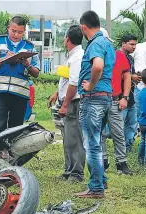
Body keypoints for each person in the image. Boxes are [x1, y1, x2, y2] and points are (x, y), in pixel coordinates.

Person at [74, 10, 115, 199]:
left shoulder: (95, 44)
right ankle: (102, 179)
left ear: (84, 27)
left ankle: (96, 187)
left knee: (91, 144)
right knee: (97, 141)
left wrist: (90, 84)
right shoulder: (107, 43)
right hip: (106, 97)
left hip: (93, 98)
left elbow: (97, 66)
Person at [0, 16, 40, 138]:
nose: (16, 34)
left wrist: (28, 65)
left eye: (20, 32)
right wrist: (5, 59)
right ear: (8, 28)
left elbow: (36, 73)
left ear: (24, 31)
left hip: (20, 94)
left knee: (15, 129)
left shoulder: (29, 47)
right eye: (13, 31)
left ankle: (12, 155)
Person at [47, 25, 86, 183]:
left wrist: (65, 104)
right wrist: (57, 93)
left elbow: (74, 83)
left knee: (74, 137)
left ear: (68, 39)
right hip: (67, 100)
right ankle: (69, 169)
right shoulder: (71, 56)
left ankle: (76, 173)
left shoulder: (78, 57)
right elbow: (67, 79)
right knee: (68, 138)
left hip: (74, 102)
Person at [102, 49, 133, 176]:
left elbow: (127, 76)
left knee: (118, 133)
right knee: (99, 132)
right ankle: (103, 160)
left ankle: (121, 162)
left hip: (114, 98)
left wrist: (125, 97)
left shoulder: (118, 55)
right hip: (97, 98)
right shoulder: (93, 52)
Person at [121, 34, 138, 153]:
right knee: (119, 124)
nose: (134, 47)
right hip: (121, 95)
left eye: (135, 44)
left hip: (131, 95)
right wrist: (132, 77)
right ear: (123, 43)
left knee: (132, 123)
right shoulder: (118, 57)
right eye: (131, 44)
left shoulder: (131, 58)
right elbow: (116, 75)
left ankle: (128, 147)